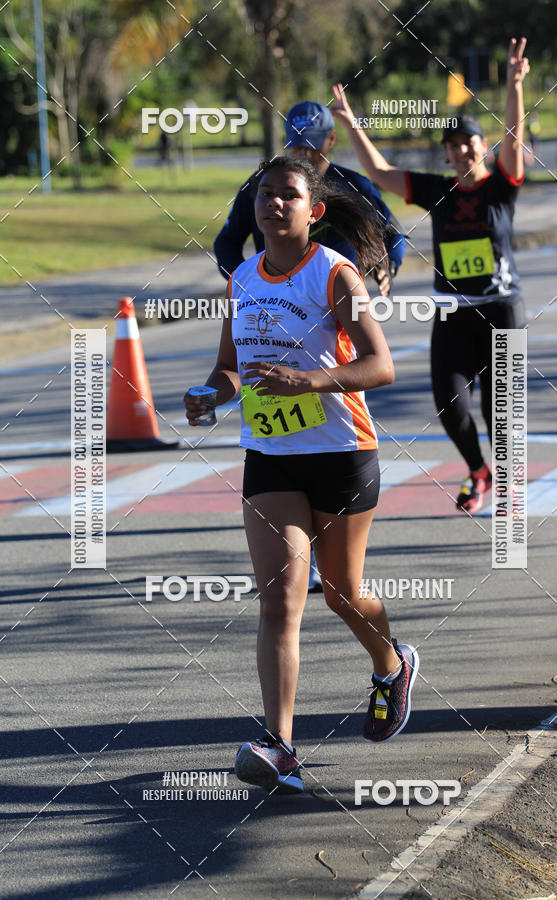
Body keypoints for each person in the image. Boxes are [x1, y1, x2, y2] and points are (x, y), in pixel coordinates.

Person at [185, 156, 419, 794]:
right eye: (265, 194)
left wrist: (311, 380)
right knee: (281, 599)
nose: (272, 205)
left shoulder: (335, 275)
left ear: (313, 211)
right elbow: (230, 367)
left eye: (288, 195)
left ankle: (391, 665)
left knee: (343, 593)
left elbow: (381, 365)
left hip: (342, 453)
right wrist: (210, 394)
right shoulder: (241, 280)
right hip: (271, 459)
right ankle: (280, 743)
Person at [332, 38, 530, 513]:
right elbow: (379, 171)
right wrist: (352, 125)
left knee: (498, 411)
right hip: (452, 314)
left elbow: (515, 140)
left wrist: (514, 86)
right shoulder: (438, 191)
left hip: (502, 311)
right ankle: (478, 470)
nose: (462, 150)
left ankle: (507, 486)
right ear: (446, 153)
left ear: (483, 148)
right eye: (454, 145)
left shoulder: (500, 189)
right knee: (452, 406)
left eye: (470, 142)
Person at [213, 101, 405, 297]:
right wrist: (245, 283)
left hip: (339, 299)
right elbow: (227, 242)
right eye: (297, 143)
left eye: (313, 143)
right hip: (278, 299)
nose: (305, 151)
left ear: (331, 138)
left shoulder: (355, 185)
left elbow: (392, 233)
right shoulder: (262, 186)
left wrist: (387, 266)